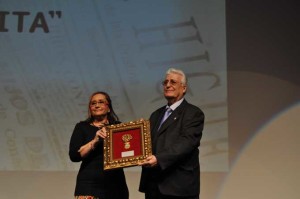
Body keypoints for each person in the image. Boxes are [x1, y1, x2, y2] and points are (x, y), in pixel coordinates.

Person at [139, 68, 205, 199]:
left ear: (184, 88)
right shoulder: (155, 115)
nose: (168, 85)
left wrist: (158, 159)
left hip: (179, 187)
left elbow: (186, 143)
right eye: (165, 82)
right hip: (153, 186)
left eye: (173, 82)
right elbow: (148, 144)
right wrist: (139, 134)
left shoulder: (193, 113)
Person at [69, 91, 129, 199]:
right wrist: (95, 140)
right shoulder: (81, 127)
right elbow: (74, 156)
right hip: (89, 185)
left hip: (116, 185)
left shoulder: (118, 127)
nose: (96, 105)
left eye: (101, 102)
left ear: (108, 107)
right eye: (93, 103)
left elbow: (126, 152)